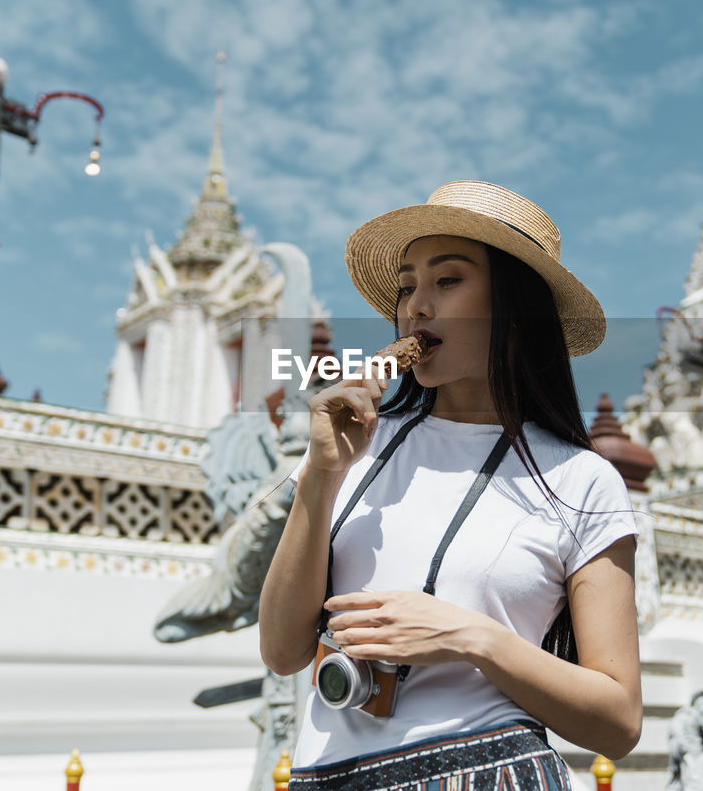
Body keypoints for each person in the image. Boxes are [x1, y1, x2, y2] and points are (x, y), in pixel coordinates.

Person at [259, 181, 643, 789]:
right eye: (407, 286)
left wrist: (470, 637)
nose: (415, 306)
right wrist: (321, 475)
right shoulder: (353, 444)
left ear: (513, 306)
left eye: (447, 280)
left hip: (492, 772)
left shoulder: (581, 479)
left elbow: (619, 721)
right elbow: (282, 652)